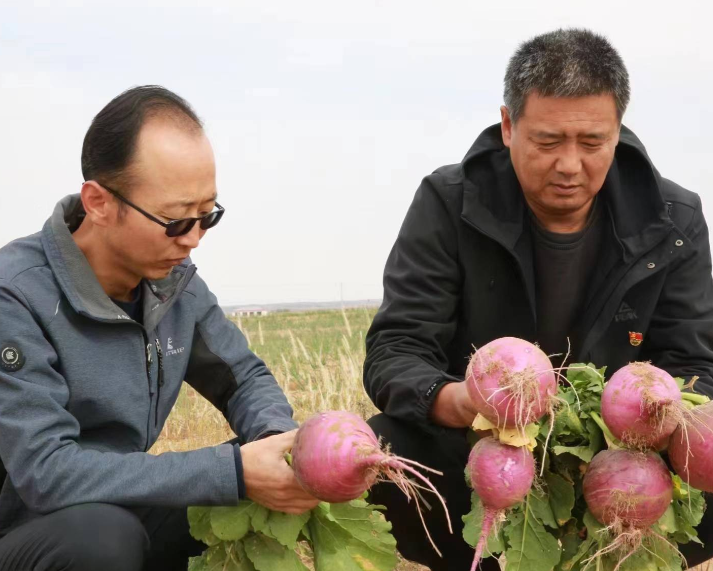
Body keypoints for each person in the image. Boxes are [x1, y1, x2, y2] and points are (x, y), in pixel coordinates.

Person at [364, 28, 713, 570]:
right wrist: (464, 401)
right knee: (382, 448)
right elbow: (397, 348)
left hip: (622, 461)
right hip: (479, 453)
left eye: (592, 143)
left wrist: (640, 421)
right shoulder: (448, 201)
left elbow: (696, 366)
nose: (570, 165)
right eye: (548, 142)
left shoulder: (674, 219)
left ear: (617, 131)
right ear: (508, 126)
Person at [0, 86, 319, 571]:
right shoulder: (16, 296)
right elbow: (46, 474)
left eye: (207, 215)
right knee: (105, 540)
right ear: (99, 202)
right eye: (174, 221)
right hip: (26, 526)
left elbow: (243, 379)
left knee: (265, 474)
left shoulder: (176, 288)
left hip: (113, 503)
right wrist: (232, 472)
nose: (193, 240)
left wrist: (281, 443)